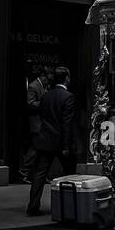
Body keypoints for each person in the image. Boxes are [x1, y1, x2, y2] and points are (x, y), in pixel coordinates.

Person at [25, 66, 78, 216]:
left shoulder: (46, 96)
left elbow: (43, 116)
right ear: (67, 78)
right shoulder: (68, 97)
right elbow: (67, 123)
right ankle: (69, 206)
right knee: (69, 175)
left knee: (40, 174)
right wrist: (67, 146)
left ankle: (33, 206)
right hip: (60, 142)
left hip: (45, 139)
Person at [21, 64, 50, 183]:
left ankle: (39, 175)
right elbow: (30, 103)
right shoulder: (33, 86)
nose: (49, 81)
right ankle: (23, 172)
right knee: (35, 149)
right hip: (36, 123)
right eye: (48, 78)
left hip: (43, 124)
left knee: (41, 150)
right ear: (42, 76)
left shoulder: (45, 86)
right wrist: (44, 103)